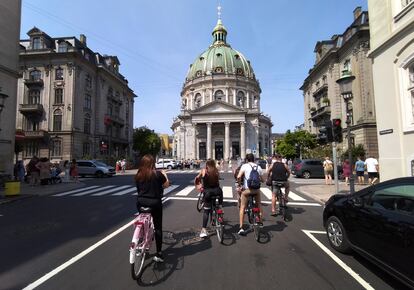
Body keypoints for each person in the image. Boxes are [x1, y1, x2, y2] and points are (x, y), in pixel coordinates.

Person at [135, 154, 169, 262]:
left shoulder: (138, 175)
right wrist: (165, 175)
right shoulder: (157, 174)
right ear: (152, 163)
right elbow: (166, 185)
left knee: (142, 219)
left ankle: (140, 239)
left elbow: (138, 190)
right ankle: (159, 253)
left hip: (140, 202)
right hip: (155, 203)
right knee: (158, 227)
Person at [194, 159, 223, 238]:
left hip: (208, 193)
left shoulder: (204, 171)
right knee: (219, 194)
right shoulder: (216, 170)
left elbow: (197, 179)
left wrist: (199, 185)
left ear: (206, 164)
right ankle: (220, 206)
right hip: (217, 191)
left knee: (206, 211)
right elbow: (218, 181)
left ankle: (203, 229)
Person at [236, 153, 264, 235]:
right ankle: (261, 221)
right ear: (254, 159)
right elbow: (263, 180)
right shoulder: (258, 167)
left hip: (247, 190)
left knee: (242, 207)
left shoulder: (244, 166)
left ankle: (241, 227)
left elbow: (238, 176)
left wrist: (240, 184)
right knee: (259, 205)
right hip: (256, 190)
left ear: (247, 160)